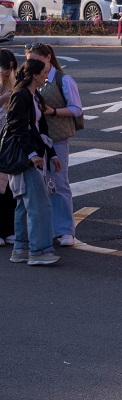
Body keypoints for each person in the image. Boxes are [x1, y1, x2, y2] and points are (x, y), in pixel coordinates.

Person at [2, 58, 61, 266]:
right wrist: (32, 155)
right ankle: (37, 251)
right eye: (44, 72)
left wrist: (51, 154)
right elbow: (18, 127)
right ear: (34, 75)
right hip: (24, 158)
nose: (47, 75)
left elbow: (39, 129)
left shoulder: (33, 95)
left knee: (23, 204)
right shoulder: (22, 95)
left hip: (29, 156)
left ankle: (20, 249)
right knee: (38, 204)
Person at [28, 43, 82, 247]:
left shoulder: (63, 79)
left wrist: (54, 111)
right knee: (40, 185)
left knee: (59, 183)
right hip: (36, 139)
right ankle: (50, 227)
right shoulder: (30, 79)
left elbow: (76, 109)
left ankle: (66, 230)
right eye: (30, 61)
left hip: (56, 138)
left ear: (48, 57)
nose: (33, 65)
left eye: (37, 60)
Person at [0, 50, 16, 244]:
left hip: (8, 142)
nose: (8, 72)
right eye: (5, 68)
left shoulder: (12, 84)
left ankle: (8, 229)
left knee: (9, 188)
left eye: (11, 68)